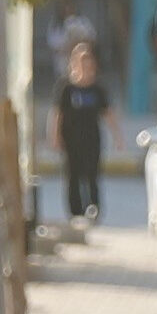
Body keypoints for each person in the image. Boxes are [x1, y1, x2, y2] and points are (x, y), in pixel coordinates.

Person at [51, 14, 113, 229]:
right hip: (71, 138)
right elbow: (58, 113)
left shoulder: (98, 88)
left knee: (92, 174)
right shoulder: (66, 87)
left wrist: (118, 136)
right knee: (73, 174)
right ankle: (75, 211)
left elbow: (108, 113)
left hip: (92, 138)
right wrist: (55, 136)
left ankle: (93, 207)